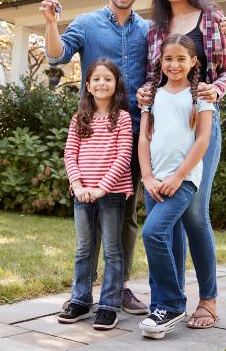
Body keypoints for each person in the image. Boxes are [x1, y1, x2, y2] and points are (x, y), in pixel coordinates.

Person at [40, 0, 226, 313]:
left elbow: (213, 65)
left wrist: (222, 38)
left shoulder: (159, 26)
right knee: (102, 213)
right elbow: (56, 57)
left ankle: (126, 289)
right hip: (111, 131)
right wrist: (52, 23)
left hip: (158, 127)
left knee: (137, 215)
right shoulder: (93, 23)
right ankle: (92, 294)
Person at [137, 0, 226, 329]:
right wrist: (145, 95)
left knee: (195, 215)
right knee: (169, 218)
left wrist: (215, 90)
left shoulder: (212, 17)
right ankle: (171, 300)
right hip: (165, 125)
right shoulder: (155, 27)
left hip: (200, 121)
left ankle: (208, 300)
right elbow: (153, 75)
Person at [138, 34, 214, 339]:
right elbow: (144, 139)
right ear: (160, 60)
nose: (174, 64)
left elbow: (203, 140)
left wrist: (178, 176)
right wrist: (147, 177)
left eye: (182, 58)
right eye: (168, 58)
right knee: (164, 238)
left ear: (193, 62)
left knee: (153, 232)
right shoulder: (151, 96)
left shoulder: (201, 96)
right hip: (154, 180)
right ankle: (161, 309)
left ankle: (171, 304)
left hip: (182, 180)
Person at [59, 58, 133, 330]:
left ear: (116, 85)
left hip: (111, 193)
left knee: (112, 250)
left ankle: (109, 306)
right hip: (82, 193)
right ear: (87, 86)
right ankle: (79, 300)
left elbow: (124, 155)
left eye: (108, 79)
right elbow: (70, 153)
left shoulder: (122, 118)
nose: (102, 83)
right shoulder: (80, 119)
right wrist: (78, 186)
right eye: (96, 79)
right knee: (84, 249)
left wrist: (103, 186)